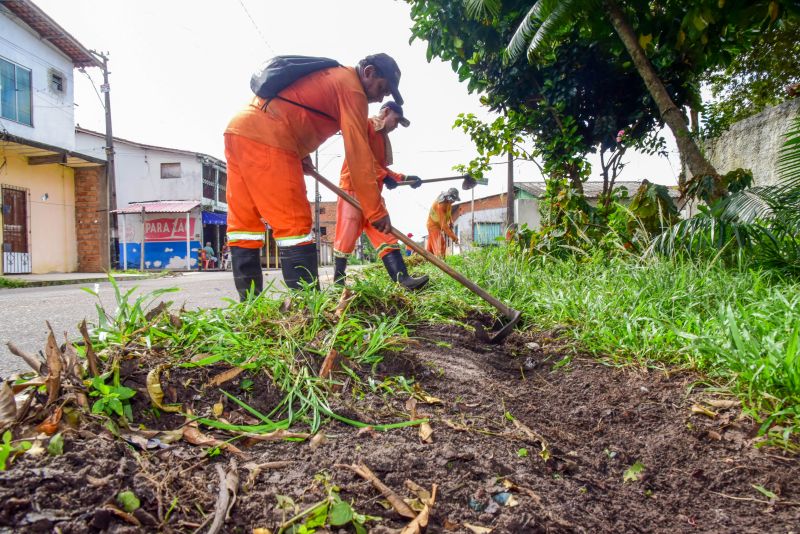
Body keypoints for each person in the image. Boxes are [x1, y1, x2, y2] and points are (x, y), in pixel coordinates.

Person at [225, 53, 404, 300]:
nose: (380, 97)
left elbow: (296, 111)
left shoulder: (334, 77)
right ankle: (309, 311)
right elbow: (357, 153)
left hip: (239, 130)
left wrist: (301, 153)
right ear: (369, 72)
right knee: (295, 226)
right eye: (382, 88)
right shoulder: (352, 89)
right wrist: (374, 210)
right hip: (271, 137)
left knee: (244, 226)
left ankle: (251, 308)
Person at [333, 101, 427, 290]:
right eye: (396, 120)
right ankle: (338, 283)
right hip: (353, 188)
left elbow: (380, 168)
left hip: (373, 194)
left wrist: (405, 178)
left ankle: (403, 280)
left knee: (385, 233)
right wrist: (384, 176)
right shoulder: (365, 125)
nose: (396, 126)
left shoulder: (383, 140)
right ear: (385, 112)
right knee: (346, 235)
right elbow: (360, 158)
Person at [426, 188, 460, 258]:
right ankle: (441, 263)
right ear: (449, 197)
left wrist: (451, 221)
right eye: (453, 200)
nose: (453, 202)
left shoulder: (448, 202)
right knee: (440, 244)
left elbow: (448, 212)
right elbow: (443, 225)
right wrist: (453, 237)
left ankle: (425, 260)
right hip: (433, 226)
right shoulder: (441, 205)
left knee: (430, 250)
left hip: (438, 225)